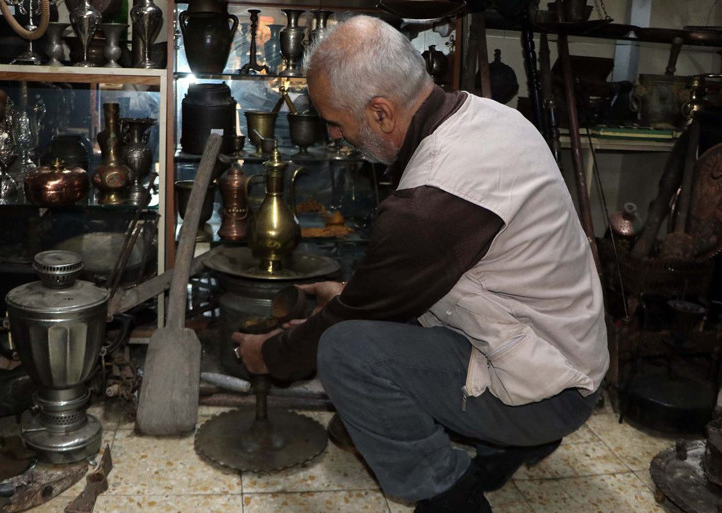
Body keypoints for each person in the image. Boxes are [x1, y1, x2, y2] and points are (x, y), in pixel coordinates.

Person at [232, 15, 608, 513]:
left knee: (347, 354)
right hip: (565, 354)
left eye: (338, 124)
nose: (337, 138)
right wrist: (351, 293)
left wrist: (269, 354)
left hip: (552, 390)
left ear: (382, 113)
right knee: (361, 339)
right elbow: (433, 277)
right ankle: (506, 447)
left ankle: (452, 497)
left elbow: (351, 322)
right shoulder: (491, 118)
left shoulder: (432, 200)